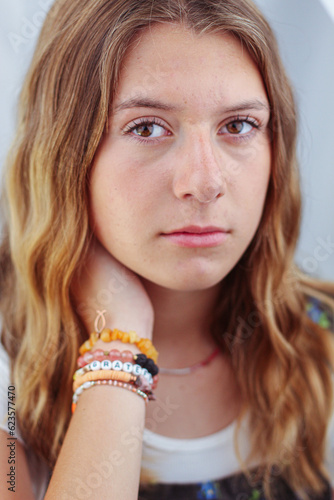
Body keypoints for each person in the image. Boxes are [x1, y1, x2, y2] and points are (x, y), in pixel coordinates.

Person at [0, 0, 333, 498]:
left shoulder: (319, 338)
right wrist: (121, 342)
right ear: (65, 156)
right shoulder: (8, 365)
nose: (204, 182)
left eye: (238, 125)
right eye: (147, 127)